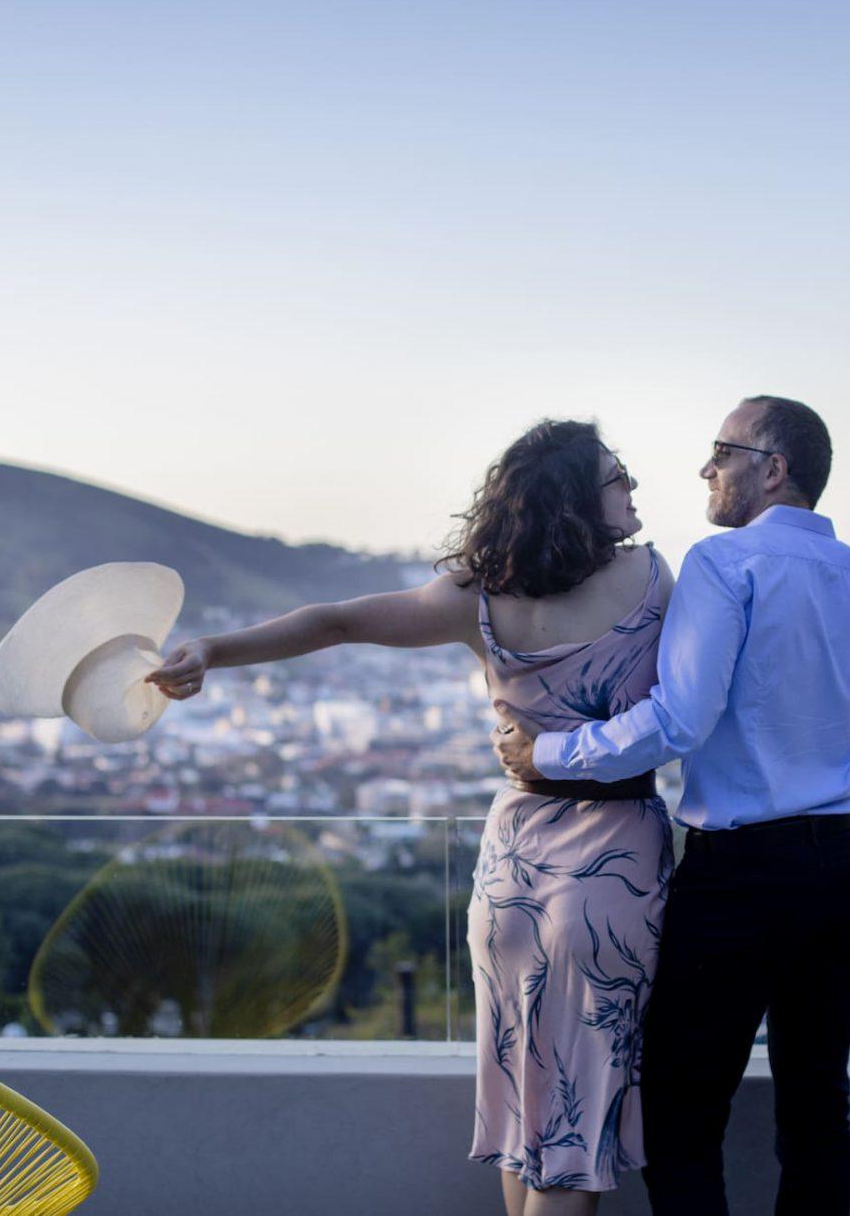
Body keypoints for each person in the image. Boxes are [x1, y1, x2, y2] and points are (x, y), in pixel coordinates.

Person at [147, 419, 674, 1215]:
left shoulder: (480, 594)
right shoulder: (655, 582)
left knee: (520, 1100)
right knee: (573, 1129)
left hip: (512, 866)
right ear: (576, 498)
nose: (634, 487)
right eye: (618, 475)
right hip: (611, 867)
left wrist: (212, 652)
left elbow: (335, 621)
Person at [494, 395, 850, 1216]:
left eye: (722, 451)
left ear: (773, 470)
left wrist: (544, 754)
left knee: (682, 1112)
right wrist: (821, 746)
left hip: (741, 875)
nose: (706, 468)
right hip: (846, 865)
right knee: (817, 1106)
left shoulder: (723, 564)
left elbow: (679, 720)